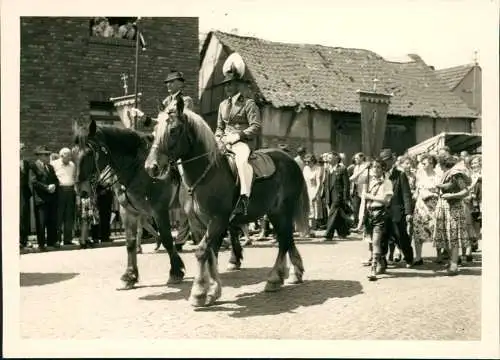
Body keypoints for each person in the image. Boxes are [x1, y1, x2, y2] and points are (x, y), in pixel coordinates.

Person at [214, 65, 262, 216]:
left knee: (241, 162)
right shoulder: (222, 105)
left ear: (238, 85)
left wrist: (238, 135)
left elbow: (256, 126)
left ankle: (244, 198)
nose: (227, 87)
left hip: (242, 142)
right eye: (225, 84)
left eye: (231, 83)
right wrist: (217, 138)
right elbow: (219, 127)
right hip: (224, 141)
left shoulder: (248, 103)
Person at [432, 154, 473, 275]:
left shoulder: (455, 174)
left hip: (453, 207)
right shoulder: (447, 174)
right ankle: (452, 262)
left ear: (442, 164)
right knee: (447, 236)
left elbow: (465, 191)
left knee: (453, 236)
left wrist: (451, 195)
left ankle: (454, 265)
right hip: (445, 207)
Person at [379, 148, 414, 269]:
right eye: (383, 160)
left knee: (401, 236)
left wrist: (409, 212)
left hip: (396, 211)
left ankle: (409, 258)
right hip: (382, 211)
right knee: (382, 236)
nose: (385, 163)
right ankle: (381, 260)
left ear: (392, 160)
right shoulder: (380, 174)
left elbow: (406, 194)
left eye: (387, 160)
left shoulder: (400, 174)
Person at [361, 158, 393, 281]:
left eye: (378, 167)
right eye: (373, 167)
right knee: (371, 242)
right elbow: (363, 198)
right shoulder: (368, 182)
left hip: (381, 213)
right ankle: (381, 262)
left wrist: (371, 196)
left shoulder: (387, 182)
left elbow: (386, 200)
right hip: (369, 214)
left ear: (383, 169)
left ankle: (373, 269)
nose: (375, 169)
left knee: (376, 241)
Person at [412, 154, 440, 265]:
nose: (423, 163)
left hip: (433, 206)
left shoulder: (437, 176)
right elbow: (416, 190)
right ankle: (418, 257)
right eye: (422, 162)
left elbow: (440, 191)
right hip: (421, 207)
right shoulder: (419, 175)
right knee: (418, 231)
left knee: (436, 230)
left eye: (425, 162)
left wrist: (430, 193)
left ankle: (439, 255)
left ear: (432, 163)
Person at [31, 145, 59, 250]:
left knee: (52, 221)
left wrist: (54, 185)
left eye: (49, 154)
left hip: (51, 199)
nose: (48, 156)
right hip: (41, 199)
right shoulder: (33, 166)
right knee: (41, 223)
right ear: (40, 156)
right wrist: (47, 187)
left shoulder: (50, 167)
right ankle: (42, 244)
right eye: (46, 154)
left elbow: (56, 179)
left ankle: (51, 242)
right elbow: (34, 181)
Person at [321, 151, 351, 240]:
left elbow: (346, 184)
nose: (328, 159)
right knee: (337, 215)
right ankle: (343, 232)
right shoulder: (327, 169)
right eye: (328, 158)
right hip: (329, 195)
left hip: (338, 196)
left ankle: (328, 234)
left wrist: (346, 197)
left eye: (330, 158)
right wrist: (324, 196)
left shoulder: (342, 169)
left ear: (336, 159)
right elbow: (326, 184)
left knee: (332, 214)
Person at [52, 147, 76, 245]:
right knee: (59, 215)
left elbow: (73, 177)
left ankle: (67, 239)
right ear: (61, 156)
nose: (70, 157)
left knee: (69, 216)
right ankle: (57, 239)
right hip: (60, 191)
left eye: (70, 155)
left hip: (70, 190)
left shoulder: (72, 165)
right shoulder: (54, 164)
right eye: (68, 156)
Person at [302, 153, 323, 234]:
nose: (307, 163)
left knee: (313, 211)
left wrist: (315, 193)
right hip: (306, 190)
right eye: (306, 162)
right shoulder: (305, 168)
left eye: (309, 161)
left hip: (313, 189)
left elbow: (319, 183)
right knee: (305, 210)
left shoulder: (318, 169)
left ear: (313, 161)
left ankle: (312, 230)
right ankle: (306, 229)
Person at [20, 143, 32, 249]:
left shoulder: (26, 163)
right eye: (20, 148)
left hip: (24, 192)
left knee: (24, 215)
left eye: (23, 148)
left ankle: (24, 240)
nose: (22, 150)